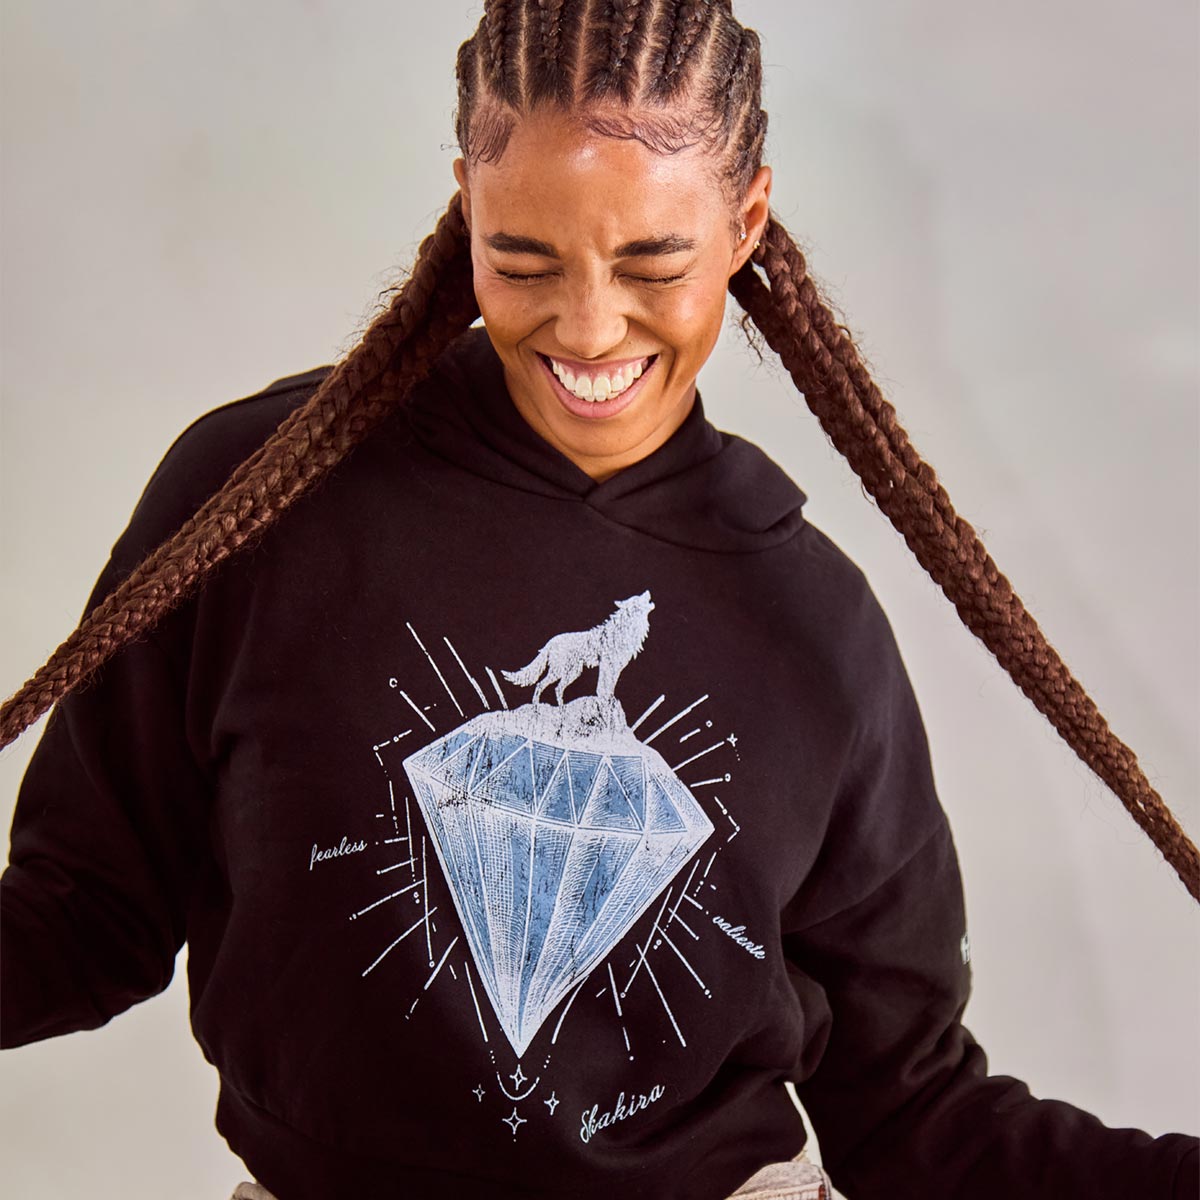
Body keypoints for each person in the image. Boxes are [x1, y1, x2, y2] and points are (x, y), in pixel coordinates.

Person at [1, 2, 1196, 1198]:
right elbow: (86, 915)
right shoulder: (257, 503)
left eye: (652, 265)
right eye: (523, 261)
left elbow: (913, 1110)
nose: (587, 327)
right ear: (466, 205)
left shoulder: (814, 623)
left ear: (747, 222)